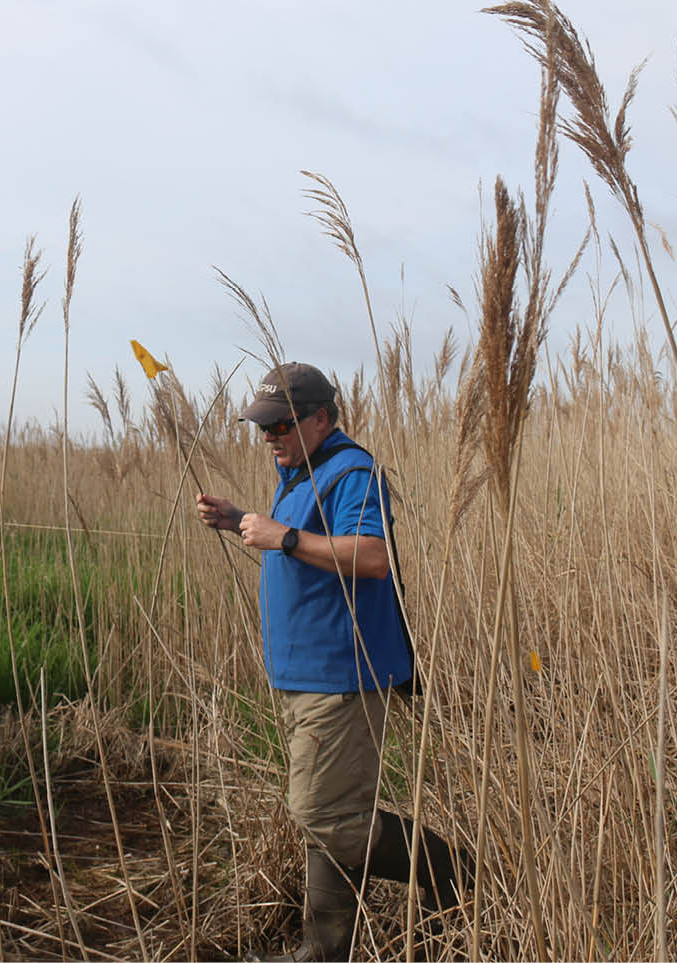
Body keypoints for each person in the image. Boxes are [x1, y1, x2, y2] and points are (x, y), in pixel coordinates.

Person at [196, 362, 466, 962]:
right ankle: (324, 951)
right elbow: (301, 547)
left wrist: (284, 537)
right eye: (262, 427)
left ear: (320, 418)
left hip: (343, 678)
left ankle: (454, 873)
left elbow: (371, 557)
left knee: (324, 813)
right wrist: (240, 521)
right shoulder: (299, 473)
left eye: (280, 425)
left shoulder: (352, 472)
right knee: (330, 814)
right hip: (304, 680)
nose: (269, 437)